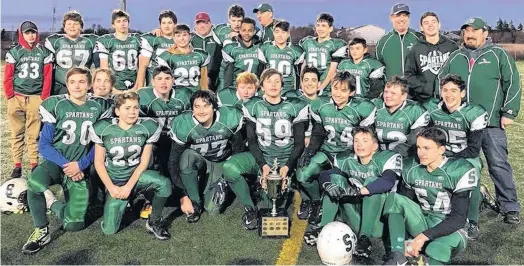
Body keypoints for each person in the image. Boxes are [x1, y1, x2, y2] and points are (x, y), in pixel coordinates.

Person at [437, 17, 522, 224]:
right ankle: (453, 204)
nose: (470, 34)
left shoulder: (498, 54)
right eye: (466, 31)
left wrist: (508, 112)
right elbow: (441, 82)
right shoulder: (455, 56)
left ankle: (509, 206)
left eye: (475, 30)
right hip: (460, 123)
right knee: (458, 163)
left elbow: (513, 82)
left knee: (498, 164)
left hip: (490, 122)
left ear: (485, 33)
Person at [22, 67, 110, 254]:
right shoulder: (56, 104)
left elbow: (100, 144)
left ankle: (52, 202)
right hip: (57, 162)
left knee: (74, 225)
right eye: (72, 82)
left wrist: (81, 165)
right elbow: (44, 145)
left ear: (89, 85)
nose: (77, 86)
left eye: (81, 82)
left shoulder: (99, 106)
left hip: (81, 165)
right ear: (67, 85)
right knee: (35, 182)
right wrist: (67, 164)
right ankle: (41, 230)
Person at [223, 69, 309, 230]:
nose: (273, 85)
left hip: (286, 159)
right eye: (269, 81)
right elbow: (252, 141)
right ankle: (250, 208)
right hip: (262, 158)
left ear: (283, 86)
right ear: (262, 86)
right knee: (229, 168)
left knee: (272, 201)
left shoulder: (295, 105)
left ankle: (309, 199)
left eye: (277, 81)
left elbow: (299, 143)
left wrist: (287, 167)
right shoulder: (253, 105)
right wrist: (263, 165)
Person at [383, 127, 477, 265]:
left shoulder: (458, 169)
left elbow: (459, 218)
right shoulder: (412, 167)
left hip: (451, 226)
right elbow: (404, 204)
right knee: (395, 199)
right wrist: (406, 240)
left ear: (441, 150)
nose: (421, 153)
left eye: (427, 148)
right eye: (419, 147)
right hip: (423, 219)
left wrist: (423, 237)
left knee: (435, 250)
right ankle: (398, 256)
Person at [305, 127, 402, 259]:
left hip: (378, 219)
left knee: (372, 182)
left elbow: (387, 181)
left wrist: (361, 190)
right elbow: (325, 174)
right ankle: (323, 228)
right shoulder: (346, 158)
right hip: (355, 214)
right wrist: (329, 185)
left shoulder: (387, 158)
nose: (359, 144)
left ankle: (365, 239)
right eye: (356, 141)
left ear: (375, 146)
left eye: (365, 141)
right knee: (334, 181)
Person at [91, 92, 171, 239]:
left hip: (137, 177)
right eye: (127, 108)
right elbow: (98, 162)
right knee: (109, 230)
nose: (132, 112)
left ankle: (154, 222)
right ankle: (120, 203)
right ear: (117, 111)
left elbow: (144, 163)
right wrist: (111, 187)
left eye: (135, 107)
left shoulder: (147, 127)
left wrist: (128, 187)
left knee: (164, 183)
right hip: (115, 181)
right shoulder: (104, 128)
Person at [296, 72, 375, 221]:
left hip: (348, 155)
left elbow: (366, 138)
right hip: (327, 150)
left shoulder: (362, 108)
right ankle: (316, 201)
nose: (338, 93)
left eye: (343, 90)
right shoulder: (321, 104)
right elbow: (318, 132)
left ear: (351, 92)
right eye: (335, 88)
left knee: (340, 184)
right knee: (302, 175)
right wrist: (309, 152)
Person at [425, 74, 488, 239]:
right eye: (445, 90)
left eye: (454, 90)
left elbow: (474, 149)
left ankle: (472, 220)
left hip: (464, 155)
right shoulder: (432, 108)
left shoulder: (473, 112)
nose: (449, 94)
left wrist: (449, 156)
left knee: (472, 169)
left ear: (462, 93)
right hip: (439, 154)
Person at [168, 90, 244, 222]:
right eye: (197, 107)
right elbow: (173, 162)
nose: (201, 111)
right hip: (199, 162)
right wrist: (182, 195)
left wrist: (230, 174)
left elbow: (238, 150)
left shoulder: (229, 117)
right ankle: (195, 201)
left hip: (221, 162)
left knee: (213, 209)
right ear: (192, 109)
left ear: (214, 107)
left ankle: (220, 184)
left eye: (206, 106)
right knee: (187, 156)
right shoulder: (184, 124)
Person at [138, 66, 192, 218]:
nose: (163, 82)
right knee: (148, 158)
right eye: (159, 79)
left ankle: (188, 193)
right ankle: (148, 199)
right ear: (152, 81)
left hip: (176, 139)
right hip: (153, 141)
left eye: (167, 78)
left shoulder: (183, 95)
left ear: (173, 80)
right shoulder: (143, 96)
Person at [4, 21, 53, 178]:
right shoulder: (15, 52)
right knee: (16, 132)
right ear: (21, 34)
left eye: (33, 32)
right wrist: (10, 96)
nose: (31, 35)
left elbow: (47, 77)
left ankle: (33, 164)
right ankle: (17, 165)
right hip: (17, 96)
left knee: (33, 134)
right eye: (27, 33)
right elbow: (8, 76)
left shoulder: (44, 52)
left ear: (37, 33)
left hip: (35, 97)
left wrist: (43, 97)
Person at [404, 12, 458, 103]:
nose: (430, 25)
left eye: (433, 22)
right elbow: (409, 75)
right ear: (421, 27)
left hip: (449, 100)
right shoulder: (415, 49)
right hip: (424, 101)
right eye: (426, 23)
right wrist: (425, 88)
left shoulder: (452, 47)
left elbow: (459, 72)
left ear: (439, 24)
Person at [373, 76, 429, 157]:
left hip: (404, 157)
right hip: (376, 155)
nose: (388, 96)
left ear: (404, 96)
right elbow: (366, 136)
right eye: (386, 92)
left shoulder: (415, 111)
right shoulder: (374, 106)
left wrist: (389, 156)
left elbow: (413, 143)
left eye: (393, 93)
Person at [45, 11, 98, 95]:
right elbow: (47, 67)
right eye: (69, 24)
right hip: (61, 86)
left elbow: (98, 65)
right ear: (64, 27)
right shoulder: (54, 41)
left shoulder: (91, 41)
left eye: (76, 24)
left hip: (83, 85)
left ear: (81, 27)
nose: (72, 26)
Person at [299, 13, 346, 96]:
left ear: (330, 28)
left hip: (326, 88)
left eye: (323, 26)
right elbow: (303, 66)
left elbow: (332, 71)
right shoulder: (307, 42)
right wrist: (302, 85)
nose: (320, 28)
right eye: (318, 25)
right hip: (308, 85)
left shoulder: (336, 44)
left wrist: (320, 88)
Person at [95, 9, 141, 93]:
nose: (122, 24)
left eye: (125, 21)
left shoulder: (137, 39)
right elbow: (104, 69)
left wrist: (137, 87)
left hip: (134, 84)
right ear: (113, 25)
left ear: (128, 23)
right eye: (118, 21)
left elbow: (140, 68)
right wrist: (113, 89)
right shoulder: (107, 41)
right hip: (115, 85)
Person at [157, 24, 210, 93]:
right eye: (178, 36)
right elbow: (164, 81)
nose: (182, 38)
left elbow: (203, 80)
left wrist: (204, 95)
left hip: (196, 95)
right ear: (174, 38)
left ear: (190, 36)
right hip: (176, 96)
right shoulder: (167, 56)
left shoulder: (200, 54)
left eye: (184, 35)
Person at [375, 3, 422, 80]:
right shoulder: (383, 41)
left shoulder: (419, 37)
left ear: (408, 17)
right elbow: (377, 67)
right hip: (393, 89)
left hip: (415, 89)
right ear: (391, 18)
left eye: (404, 15)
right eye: (398, 15)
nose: (401, 19)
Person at [258, 20, 304, 97]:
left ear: (288, 34)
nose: (280, 35)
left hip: (289, 90)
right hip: (270, 89)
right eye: (277, 32)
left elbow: (299, 74)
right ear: (273, 33)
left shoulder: (296, 50)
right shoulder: (266, 48)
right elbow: (260, 71)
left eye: (283, 32)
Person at [136, 10, 177, 88]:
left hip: (174, 83)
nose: (166, 26)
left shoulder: (179, 39)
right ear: (160, 25)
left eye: (169, 23)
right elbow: (143, 66)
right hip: (154, 84)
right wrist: (140, 89)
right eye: (164, 23)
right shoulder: (152, 39)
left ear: (175, 24)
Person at [221, 17, 264, 89]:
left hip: (254, 88)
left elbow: (261, 72)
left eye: (250, 30)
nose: (246, 33)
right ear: (239, 31)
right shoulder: (232, 48)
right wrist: (228, 91)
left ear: (254, 32)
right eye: (244, 30)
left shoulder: (260, 48)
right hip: (237, 88)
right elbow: (228, 75)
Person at [190, 12, 222, 91]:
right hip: (196, 79)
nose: (201, 26)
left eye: (204, 22)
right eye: (198, 23)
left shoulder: (218, 35)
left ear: (210, 23)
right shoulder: (190, 38)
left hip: (217, 78)